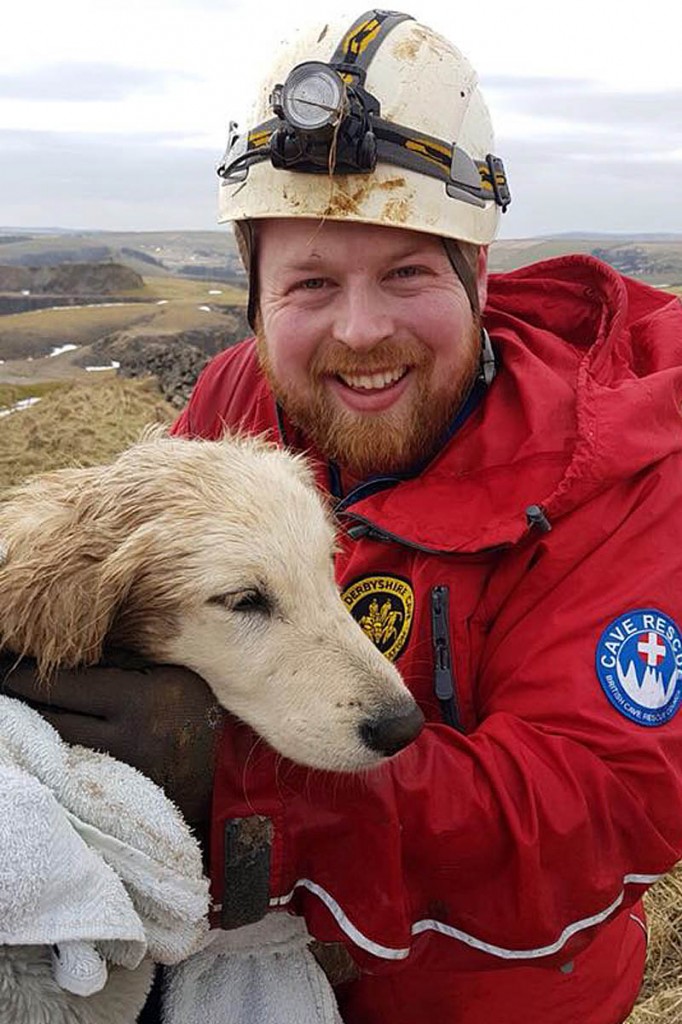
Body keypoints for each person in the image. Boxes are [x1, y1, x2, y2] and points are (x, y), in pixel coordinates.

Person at [4, 9, 682, 1023]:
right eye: (311, 283)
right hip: (255, 975)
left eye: (407, 271)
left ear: (477, 275)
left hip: (486, 997)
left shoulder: (618, 472)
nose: (360, 334)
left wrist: (228, 782)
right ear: (257, 296)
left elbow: (605, 808)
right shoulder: (243, 394)